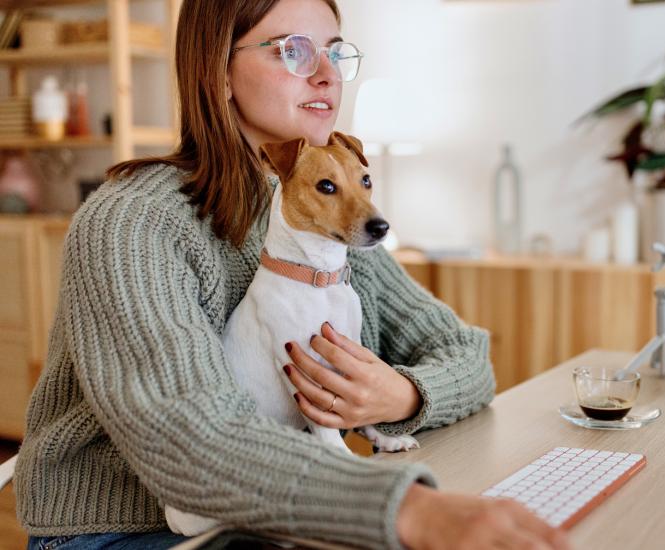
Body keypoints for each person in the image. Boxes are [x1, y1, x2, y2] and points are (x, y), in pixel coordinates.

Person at [15, 0, 570, 549]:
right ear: (218, 71)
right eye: (295, 51)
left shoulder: (323, 220)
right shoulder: (133, 222)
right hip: (123, 532)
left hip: (262, 519)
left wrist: (400, 396)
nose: (328, 76)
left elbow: (466, 354)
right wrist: (409, 508)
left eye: (334, 51)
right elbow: (193, 441)